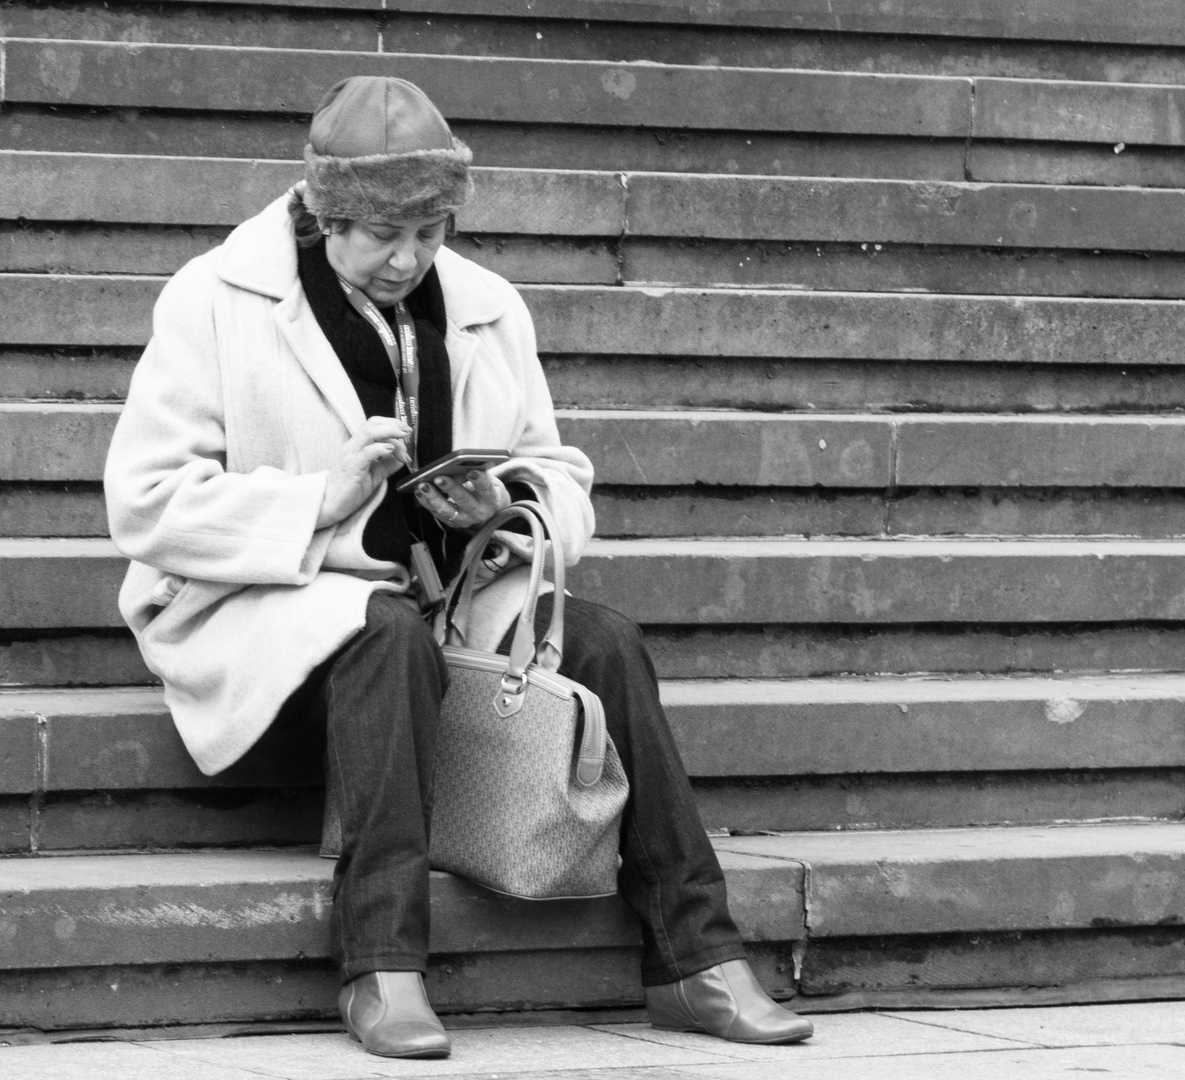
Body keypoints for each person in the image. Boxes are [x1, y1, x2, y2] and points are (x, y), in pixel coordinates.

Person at [104, 75, 812, 1060]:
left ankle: (695, 958)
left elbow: (558, 470)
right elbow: (144, 502)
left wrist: (508, 505)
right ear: (321, 213)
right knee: (378, 630)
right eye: (383, 236)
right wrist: (319, 499)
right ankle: (383, 964)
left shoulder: (484, 305)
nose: (408, 258)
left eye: (430, 232)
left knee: (603, 640)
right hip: (267, 629)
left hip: (447, 611)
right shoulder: (214, 299)